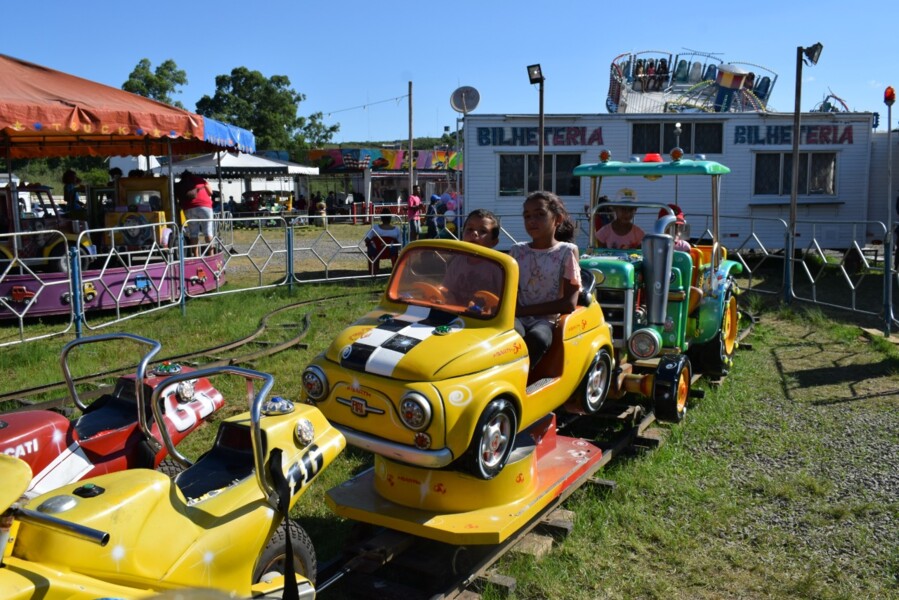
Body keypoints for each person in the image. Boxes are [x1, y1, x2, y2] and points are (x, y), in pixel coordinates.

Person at [510, 191, 581, 371]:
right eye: (527, 216)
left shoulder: (566, 251)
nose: (532, 220)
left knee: (539, 338)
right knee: (509, 336)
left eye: (540, 214)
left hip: (545, 321)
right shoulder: (517, 251)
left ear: (557, 219)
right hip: (516, 316)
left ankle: (523, 379)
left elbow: (569, 303)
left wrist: (523, 310)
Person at [442, 209, 503, 307]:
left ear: (494, 242)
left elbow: (505, 300)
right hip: (457, 314)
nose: (474, 233)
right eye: (470, 229)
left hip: (486, 319)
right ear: (462, 234)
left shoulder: (497, 266)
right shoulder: (457, 261)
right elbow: (446, 290)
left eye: (483, 231)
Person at [176, 170, 214, 256]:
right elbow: (210, 192)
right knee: (208, 231)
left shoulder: (180, 184)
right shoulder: (200, 180)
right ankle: (211, 254)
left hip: (188, 208)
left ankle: (196, 255)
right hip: (204, 207)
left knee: (193, 233)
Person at [364, 209, 400, 274]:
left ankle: (373, 271)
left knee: (371, 247)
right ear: (390, 218)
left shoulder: (375, 228)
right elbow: (400, 243)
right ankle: (396, 270)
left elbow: (366, 239)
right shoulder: (396, 230)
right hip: (391, 252)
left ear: (381, 218)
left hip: (376, 252)